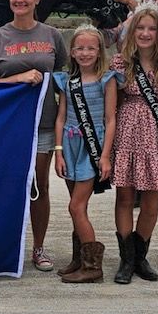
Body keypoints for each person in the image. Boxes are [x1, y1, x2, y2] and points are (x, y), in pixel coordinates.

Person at [0, 0, 67, 271]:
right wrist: (18, 78)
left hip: (43, 124)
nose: (20, 0)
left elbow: (65, 80)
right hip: (7, 126)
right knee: (6, 184)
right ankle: (1, 243)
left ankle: (38, 248)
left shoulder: (52, 36)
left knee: (38, 186)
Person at [111, 4, 158, 284]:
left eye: (151, 28)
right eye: (140, 27)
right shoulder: (120, 63)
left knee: (152, 200)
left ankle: (140, 256)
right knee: (125, 198)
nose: (145, 33)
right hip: (128, 130)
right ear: (131, 31)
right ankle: (126, 259)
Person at [52, 26, 117, 283]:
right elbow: (60, 118)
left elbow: (111, 119)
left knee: (75, 206)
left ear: (100, 51)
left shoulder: (107, 79)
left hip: (93, 146)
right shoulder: (67, 81)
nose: (85, 52)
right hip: (69, 144)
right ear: (72, 51)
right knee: (79, 208)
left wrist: (105, 156)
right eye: (80, 48)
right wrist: (58, 152)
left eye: (91, 48)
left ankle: (93, 267)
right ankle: (78, 258)